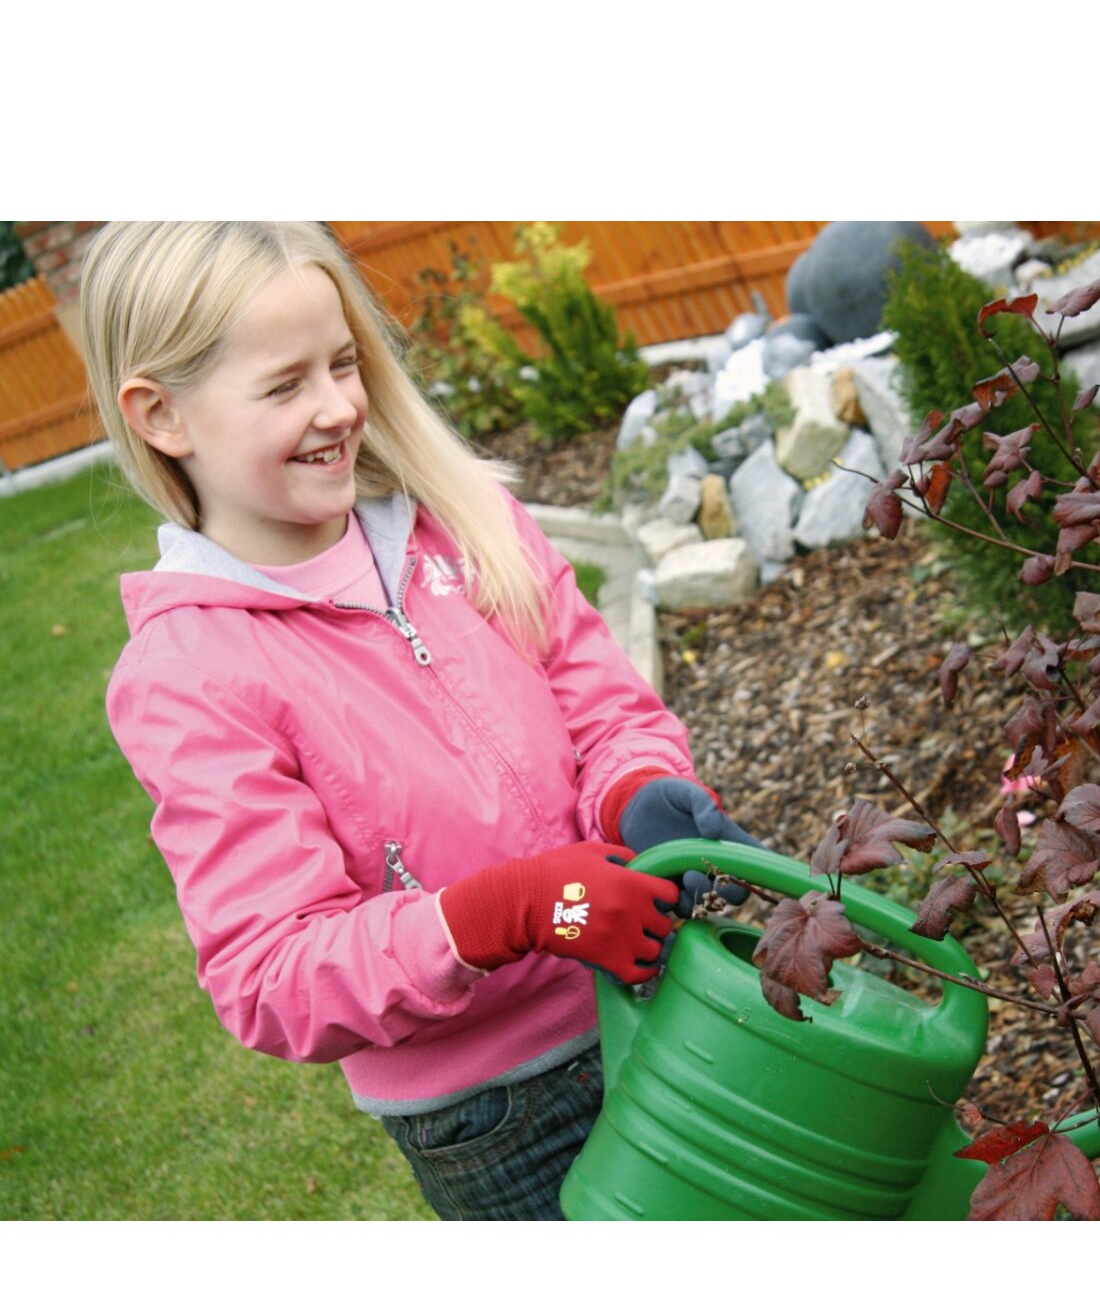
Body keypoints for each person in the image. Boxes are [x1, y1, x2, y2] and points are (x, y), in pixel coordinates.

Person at [81, 221, 759, 1221]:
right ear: (161, 415)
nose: (339, 406)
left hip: (664, 1006)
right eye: (285, 385)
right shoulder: (191, 672)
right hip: (507, 1121)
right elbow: (270, 974)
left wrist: (637, 793)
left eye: (345, 363)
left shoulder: (458, 515)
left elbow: (603, 698)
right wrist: (501, 913)